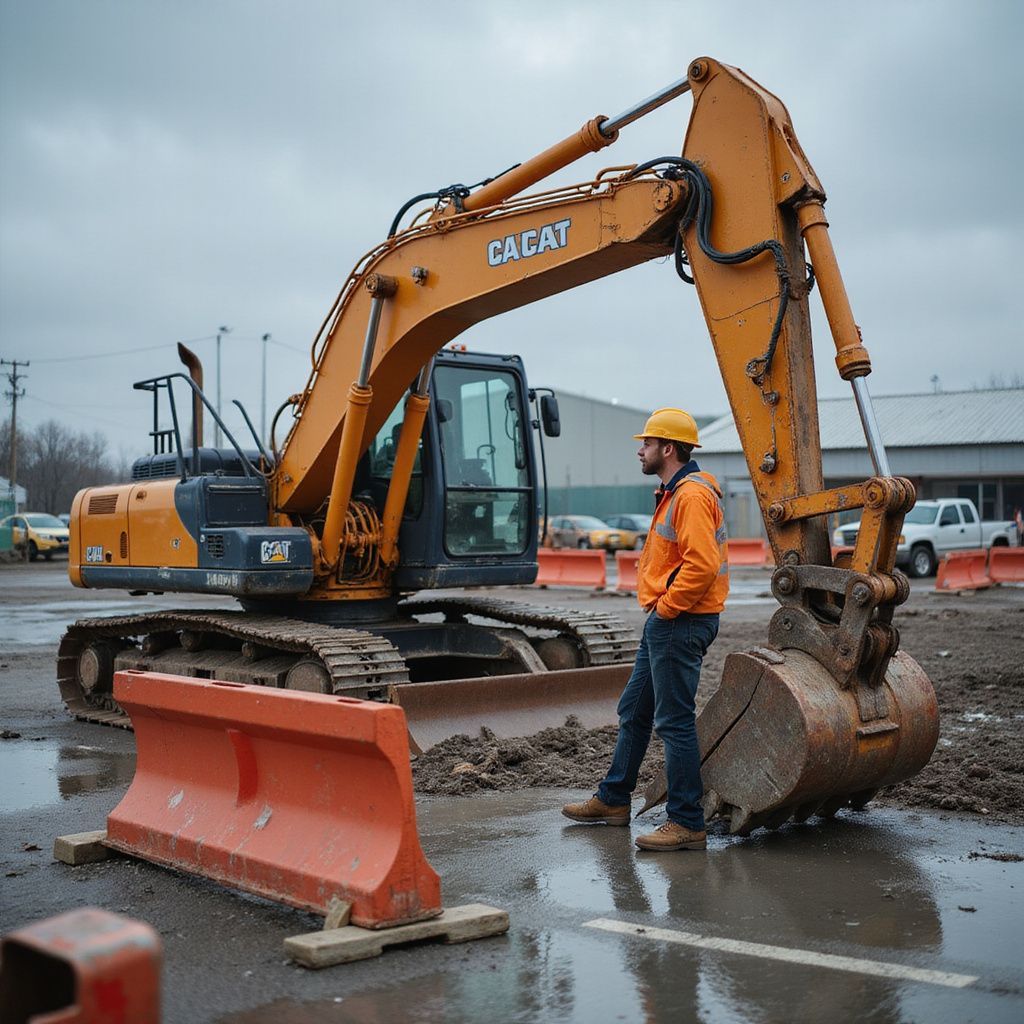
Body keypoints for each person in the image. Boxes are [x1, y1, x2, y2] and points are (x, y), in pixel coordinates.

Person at [562, 408, 729, 851]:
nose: (640, 450)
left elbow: (702, 564)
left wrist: (668, 609)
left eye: (647, 443)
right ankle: (614, 799)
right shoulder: (676, 493)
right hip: (669, 620)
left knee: (673, 722)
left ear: (667, 448)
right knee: (634, 710)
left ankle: (688, 822)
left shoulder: (690, 496)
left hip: (679, 620)